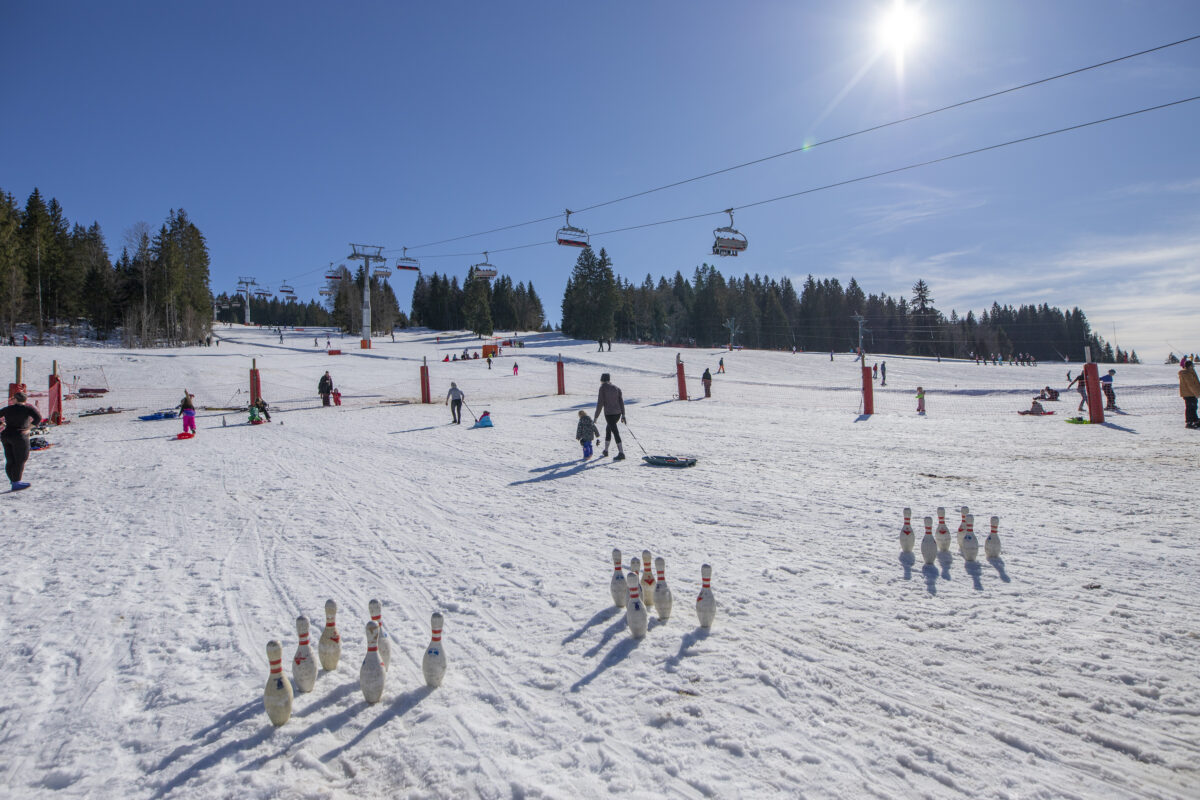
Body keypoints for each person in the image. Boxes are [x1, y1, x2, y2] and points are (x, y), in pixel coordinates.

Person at [1, 391, 42, 491]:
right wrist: (29, 428)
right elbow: (38, 418)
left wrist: (2, 424)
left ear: (15, 399)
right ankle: (16, 482)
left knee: (10, 459)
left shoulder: (7, 408)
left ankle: (13, 480)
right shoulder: (28, 408)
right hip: (20, 435)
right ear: (25, 399)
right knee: (20, 459)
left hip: (6, 435)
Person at [593, 372, 626, 460]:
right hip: (618, 413)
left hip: (609, 414)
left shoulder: (602, 388)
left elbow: (600, 403)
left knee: (615, 431)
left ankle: (621, 453)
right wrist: (623, 415)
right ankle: (606, 450)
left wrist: (596, 417)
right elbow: (621, 402)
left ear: (602, 379)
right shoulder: (616, 388)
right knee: (608, 429)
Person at [1179, 358, 1200, 429]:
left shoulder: (1190, 372)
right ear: (1189, 366)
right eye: (1192, 365)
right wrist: (1196, 393)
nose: (1193, 367)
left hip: (1191, 393)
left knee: (1194, 407)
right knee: (1190, 407)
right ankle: (1189, 422)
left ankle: (1195, 420)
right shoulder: (1187, 373)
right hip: (1189, 393)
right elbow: (1191, 384)